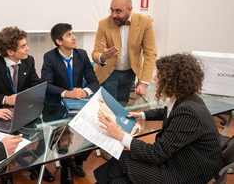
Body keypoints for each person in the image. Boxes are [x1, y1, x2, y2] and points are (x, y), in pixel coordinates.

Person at [94, 53, 224, 183]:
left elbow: (156, 154)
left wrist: (120, 135)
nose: (154, 79)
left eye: (159, 75)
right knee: (117, 181)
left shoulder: (188, 113)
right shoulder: (189, 99)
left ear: (172, 81)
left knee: (123, 159)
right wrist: (142, 115)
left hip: (189, 173)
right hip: (182, 160)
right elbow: (167, 111)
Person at [0, 27, 55, 182]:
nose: (28, 48)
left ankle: (35, 164)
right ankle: (5, 172)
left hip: (26, 112)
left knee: (48, 134)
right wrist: (5, 99)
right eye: (23, 46)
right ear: (10, 51)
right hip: (2, 115)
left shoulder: (28, 61)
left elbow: (35, 84)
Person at [41, 23, 100, 184]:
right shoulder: (50, 57)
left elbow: (93, 81)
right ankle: (66, 167)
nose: (74, 38)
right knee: (64, 130)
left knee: (101, 125)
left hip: (80, 101)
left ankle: (78, 160)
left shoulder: (81, 54)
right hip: (57, 103)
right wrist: (67, 93)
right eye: (69, 35)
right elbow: (46, 84)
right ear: (59, 41)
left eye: (73, 34)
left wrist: (85, 92)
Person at [92, 0, 157, 106]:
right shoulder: (103, 23)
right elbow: (96, 53)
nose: (113, 15)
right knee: (107, 108)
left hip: (130, 73)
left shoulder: (145, 22)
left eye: (118, 11)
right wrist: (103, 57)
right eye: (111, 10)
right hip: (108, 73)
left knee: (123, 108)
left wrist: (144, 83)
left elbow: (150, 53)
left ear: (130, 9)